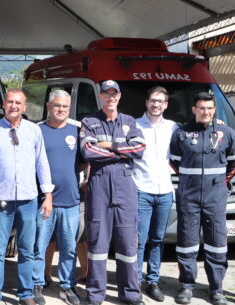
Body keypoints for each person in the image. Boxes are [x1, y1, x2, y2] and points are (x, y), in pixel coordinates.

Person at [0, 89, 53, 305]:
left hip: (28, 201)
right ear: (3, 104)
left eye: (18, 102)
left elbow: (42, 163)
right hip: (0, 201)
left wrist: (47, 195)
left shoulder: (33, 131)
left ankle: (25, 293)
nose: (14, 106)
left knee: (26, 250)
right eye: (10, 102)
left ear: (24, 106)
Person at [169, 92, 235, 305]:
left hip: (215, 196)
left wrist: (220, 183)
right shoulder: (181, 133)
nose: (206, 112)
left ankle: (216, 289)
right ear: (194, 109)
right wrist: (190, 181)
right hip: (189, 195)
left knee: (217, 243)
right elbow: (174, 162)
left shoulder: (226, 132)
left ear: (214, 109)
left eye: (210, 108)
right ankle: (186, 286)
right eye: (201, 108)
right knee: (187, 243)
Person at [79, 80, 146, 305]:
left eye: (114, 94)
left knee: (128, 243)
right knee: (97, 243)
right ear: (100, 96)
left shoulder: (130, 121)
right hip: (98, 185)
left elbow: (139, 149)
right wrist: (122, 152)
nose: (110, 97)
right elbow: (88, 151)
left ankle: (130, 293)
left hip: (124, 185)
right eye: (106, 94)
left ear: (119, 96)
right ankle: (95, 294)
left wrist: (111, 147)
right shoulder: (89, 121)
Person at [35, 90, 86, 305]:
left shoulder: (77, 131)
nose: (61, 110)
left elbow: (84, 161)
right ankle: (36, 285)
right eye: (57, 105)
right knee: (39, 246)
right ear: (48, 106)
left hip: (71, 201)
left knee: (69, 248)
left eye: (65, 106)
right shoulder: (38, 130)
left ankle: (67, 287)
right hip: (43, 202)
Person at [131, 86, 178, 302]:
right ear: (146, 102)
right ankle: (134, 282)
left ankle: (152, 281)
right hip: (142, 190)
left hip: (165, 192)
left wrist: (217, 125)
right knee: (139, 240)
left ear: (166, 105)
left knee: (158, 240)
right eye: (153, 100)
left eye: (160, 101)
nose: (156, 104)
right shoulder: (134, 126)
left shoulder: (173, 127)